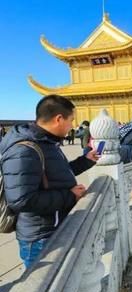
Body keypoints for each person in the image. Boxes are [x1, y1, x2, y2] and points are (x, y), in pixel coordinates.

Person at [0, 95, 99, 268]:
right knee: (45, 290)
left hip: (52, 227)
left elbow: (54, 174)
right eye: (71, 120)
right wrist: (69, 196)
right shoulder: (24, 149)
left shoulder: (46, 141)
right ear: (59, 119)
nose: (73, 126)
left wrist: (86, 160)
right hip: (40, 236)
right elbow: (21, 200)